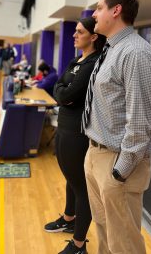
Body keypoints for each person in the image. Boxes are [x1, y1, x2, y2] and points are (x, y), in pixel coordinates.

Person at [82, 0, 151, 254]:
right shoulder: (111, 49)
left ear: (116, 11)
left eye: (99, 8)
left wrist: (119, 172)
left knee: (125, 243)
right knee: (105, 232)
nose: (94, 13)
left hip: (118, 162)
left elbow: (140, 123)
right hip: (96, 153)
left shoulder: (136, 53)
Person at [44, 17, 106, 254]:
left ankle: (79, 245)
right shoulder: (74, 60)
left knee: (81, 187)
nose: (74, 34)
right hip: (64, 127)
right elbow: (60, 90)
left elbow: (65, 94)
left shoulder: (92, 63)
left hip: (77, 132)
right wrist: (64, 94)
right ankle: (69, 218)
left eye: (79, 31)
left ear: (93, 37)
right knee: (70, 179)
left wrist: (63, 94)